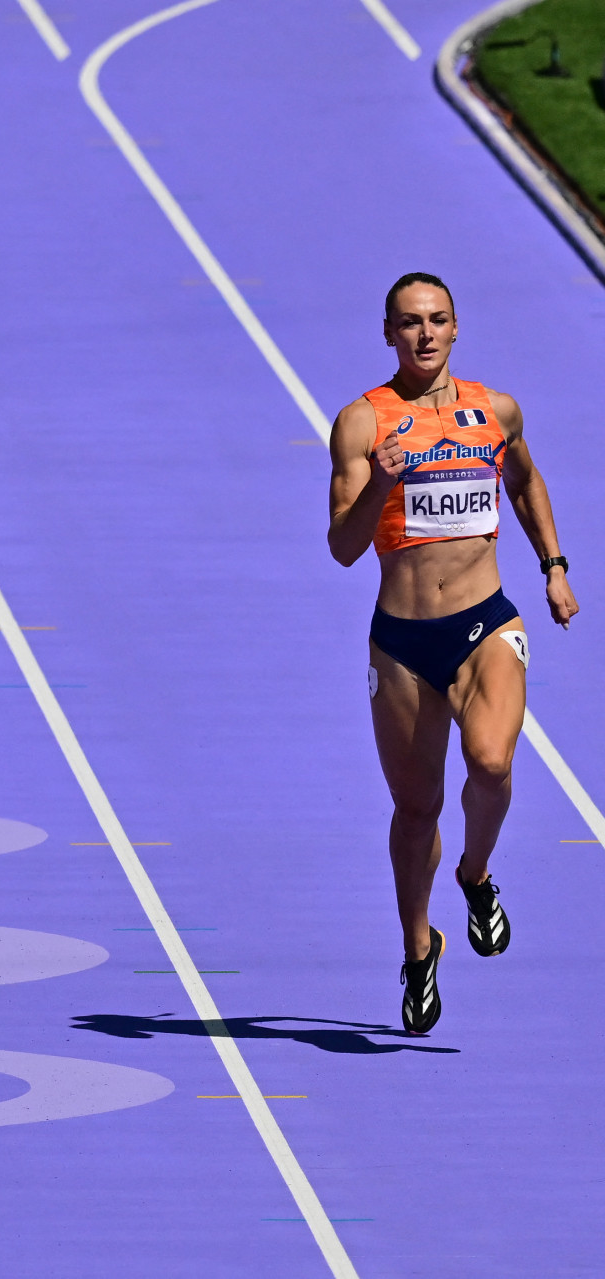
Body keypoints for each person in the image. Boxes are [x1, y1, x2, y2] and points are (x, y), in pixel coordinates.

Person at [327, 272, 578, 1034]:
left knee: (493, 762)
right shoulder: (363, 423)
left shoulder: (494, 411)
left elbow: (529, 485)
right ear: (388, 333)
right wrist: (381, 489)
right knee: (416, 807)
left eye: (437, 320)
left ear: (457, 328)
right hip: (402, 640)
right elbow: (341, 547)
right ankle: (418, 947)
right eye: (409, 323)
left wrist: (554, 567)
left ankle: (475, 871)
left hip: (485, 622)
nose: (425, 334)